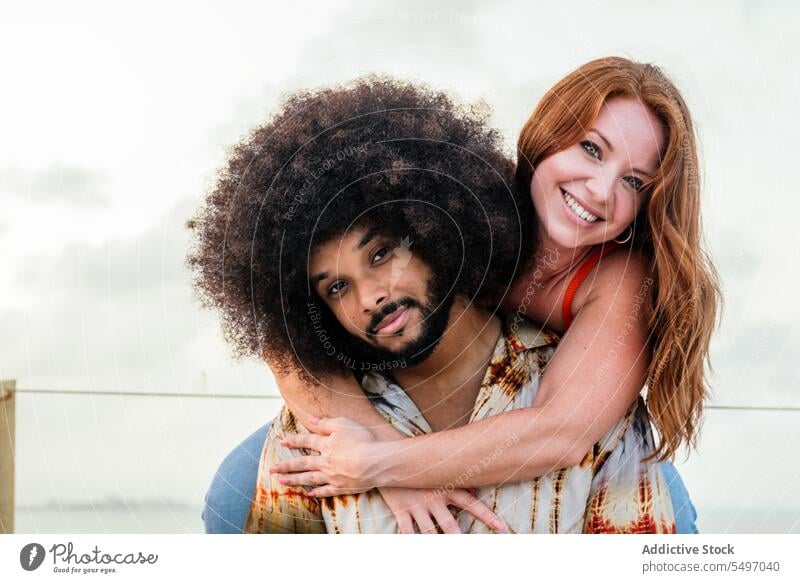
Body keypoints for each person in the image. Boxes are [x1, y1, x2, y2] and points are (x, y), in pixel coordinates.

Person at [188, 75, 677, 533]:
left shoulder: (620, 277)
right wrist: (383, 450)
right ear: (549, 135)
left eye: (634, 181)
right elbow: (284, 335)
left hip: (570, 411)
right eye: (591, 149)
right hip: (417, 393)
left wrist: (384, 464)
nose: (599, 189)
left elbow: (561, 431)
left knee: (641, 472)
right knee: (233, 495)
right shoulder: (477, 189)